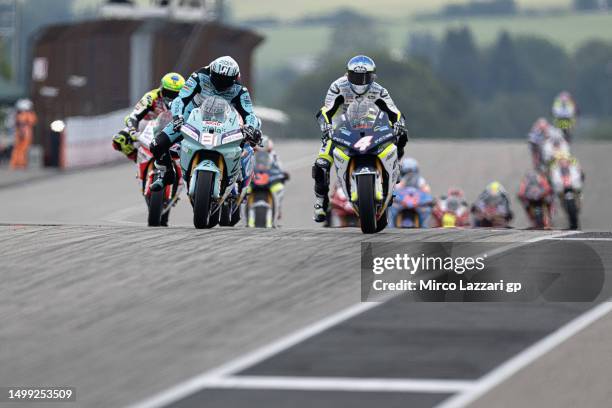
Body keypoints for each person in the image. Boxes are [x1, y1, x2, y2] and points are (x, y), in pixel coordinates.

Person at [312, 55, 408, 222]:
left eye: (365, 77)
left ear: (373, 77)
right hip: (339, 130)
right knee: (321, 165)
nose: (361, 82)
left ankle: (396, 164)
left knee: (401, 133)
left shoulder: (379, 90)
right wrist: (326, 126)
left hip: (371, 128)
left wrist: (399, 122)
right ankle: (321, 202)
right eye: (356, 77)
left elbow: (394, 111)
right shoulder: (337, 87)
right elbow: (325, 111)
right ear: (348, 75)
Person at [149, 56, 262, 192]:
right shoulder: (199, 76)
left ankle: (237, 178)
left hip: (224, 123)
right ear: (211, 72)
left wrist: (250, 127)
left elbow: (250, 113)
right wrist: (178, 116)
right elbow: (180, 99)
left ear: (234, 78)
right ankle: (167, 173)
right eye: (218, 78)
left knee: (246, 143)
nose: (221, 84)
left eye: (226, 81)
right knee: (157, 144)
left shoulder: (240, 90)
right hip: (191, 117)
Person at [112, 72, 185, 161]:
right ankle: (139, 159)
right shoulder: (151, 97)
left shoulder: (186, 99)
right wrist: (133, 129)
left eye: (175, 94)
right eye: (167, 92)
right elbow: (134, 116)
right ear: (161, 88)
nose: (171, 97)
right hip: (147, 125)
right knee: (119, 139)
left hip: (173, 127)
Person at [10, 99, 37, 169]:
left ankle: (16, 163)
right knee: (21, 149)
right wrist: (22, 133)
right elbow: (24, 124)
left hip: (22, 134)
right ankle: (19, 163)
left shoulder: (19, 114)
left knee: (19, 149)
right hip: (24, 134)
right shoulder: (25, 115)